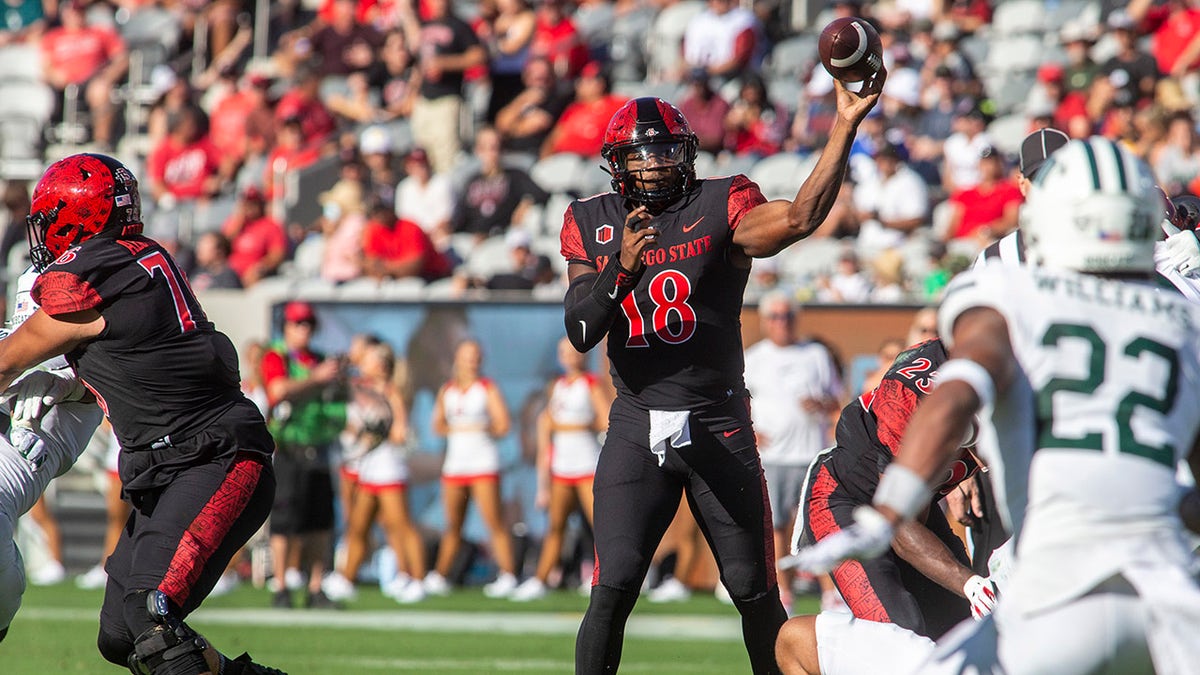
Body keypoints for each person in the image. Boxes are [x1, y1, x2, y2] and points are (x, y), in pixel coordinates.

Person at [781, 137, 1200, 675]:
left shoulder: (1009, 286)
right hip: (1167, 596)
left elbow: (962, 387)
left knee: (809, 641)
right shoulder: (1180, 318)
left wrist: (892, 508)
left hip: (1056, 591)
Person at [560, 65, 885, 673]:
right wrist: (622, 268)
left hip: (719, 422)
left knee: (753, 590)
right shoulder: (593, 220)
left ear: (686, 153)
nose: (655, 165)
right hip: (635, 422)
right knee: (614, 585)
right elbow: (581, 329)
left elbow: (799, 219)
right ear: (617, 164)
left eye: (665, 152)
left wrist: (843, 125)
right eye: (642, 155)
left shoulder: (720, 200)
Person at [5, 153, 282, 673]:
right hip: (173, 466)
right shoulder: (135, 258)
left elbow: (4, 364)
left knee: (150, 620)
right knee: (120, 636)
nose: (43, 235)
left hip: (214, 459)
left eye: (48, 219)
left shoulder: (90, 275)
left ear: (74, 216)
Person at [786, 320, 995, 641]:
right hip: (851, 500)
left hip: (915, 510)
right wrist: (969, 583)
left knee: (966, 635)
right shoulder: (909, 399)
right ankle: (797, 646)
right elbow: (899, 526)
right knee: (899, 636)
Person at [743, 291, 842, 612]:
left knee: (819, 525)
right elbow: (738, 401)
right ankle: (783, 591)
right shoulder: (755, 357)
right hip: (771, 456)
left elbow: (837, 398)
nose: (781, 322)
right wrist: (750, 431)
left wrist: (821, 404)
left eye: (787, 315)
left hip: (810, 452)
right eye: (774, 316)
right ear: (765, 321)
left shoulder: (815, 354)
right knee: (773, 526)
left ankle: (830, 593)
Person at [262, 301, 347, 610]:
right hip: (289, 447)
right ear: (286, 328)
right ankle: (282, 585)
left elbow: (336, 403)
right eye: (298, 324)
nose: (304, 330)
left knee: (320, 521)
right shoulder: (278, 357)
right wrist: (317, 379)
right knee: (284, 520)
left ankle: (315, 587)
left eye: (308, 324)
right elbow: (278, 390)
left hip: (319, 446)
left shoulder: (322, 360)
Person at [511, 336, 610, 601]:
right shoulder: (557, 387)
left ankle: (608, 578)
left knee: (600, 526)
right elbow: (546, 432)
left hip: (587, 464)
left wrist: (572, 425)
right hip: (561, 467)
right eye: (564, 352)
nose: (569, 357)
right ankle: (541, 579)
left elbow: (605, 421)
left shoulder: (591, 385)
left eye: (573, 352)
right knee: (555, 526)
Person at [424, 339, 519, 598]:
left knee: (494, 522)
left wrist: (479, 427)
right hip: (455, 465)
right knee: (453, 525)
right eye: (467, 356)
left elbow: (503, 425)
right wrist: (460, 427)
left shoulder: (487, 389)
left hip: (483, 462)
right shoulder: (448, 390)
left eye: (476, 356)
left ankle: (509, 574)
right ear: (457, 359)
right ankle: (440, 576)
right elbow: (437, 425)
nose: (472, 361)